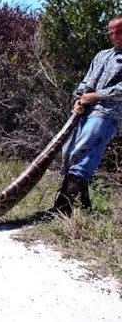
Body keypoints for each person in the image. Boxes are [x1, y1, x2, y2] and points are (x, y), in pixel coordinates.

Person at [51, 14, 122, 215]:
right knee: (68, 153)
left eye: (120, 31)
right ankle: (84, 204)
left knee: (82, 150)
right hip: (84, 110)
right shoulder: (101, 55)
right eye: (112, 32)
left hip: (108, 113)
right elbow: (87, 81)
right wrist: (79, 97)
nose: (115, 36)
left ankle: (62, 208)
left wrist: (96, 96)